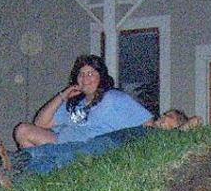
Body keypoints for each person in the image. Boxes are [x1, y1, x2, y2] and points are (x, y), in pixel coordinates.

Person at [0, 109, 203, 187]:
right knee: (60, 152)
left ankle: (18, 172)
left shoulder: (165, 139)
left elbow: (196, 121)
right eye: (165, 115)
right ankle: (14, 165)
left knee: (65, 158)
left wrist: (180, 128)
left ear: (178, 126)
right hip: (105, 143)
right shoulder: (147, 128)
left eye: (170, 118)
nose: (163, 117)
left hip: (111, 149)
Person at [13, 54, 152, 149]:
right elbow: (40, 123)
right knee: (22, 131)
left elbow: (148, 125)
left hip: (87, 150)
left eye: (91, 74)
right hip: (62, 144)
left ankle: (18, 164)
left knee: (35, 156)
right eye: (81, 74)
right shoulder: (75, 102)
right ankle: (29, 171)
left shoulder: (114, 98)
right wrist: (62, 96)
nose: (85, 79)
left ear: (101, 76)